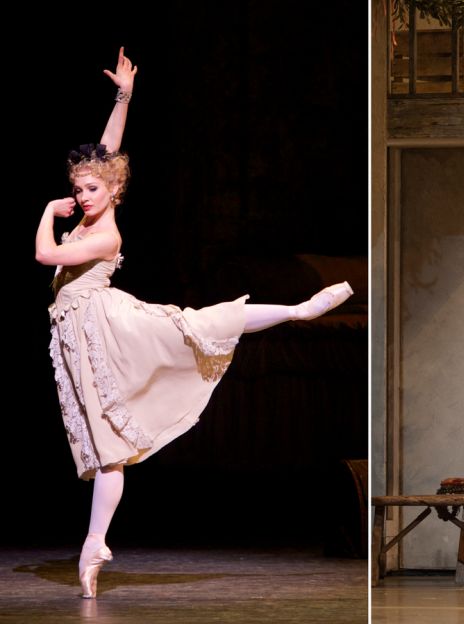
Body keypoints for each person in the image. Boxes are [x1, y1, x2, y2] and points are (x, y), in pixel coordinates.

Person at [36, 48, 354, 598]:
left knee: (201, 325)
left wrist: (47, 211)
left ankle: (298, 310)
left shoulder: (105, 235)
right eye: (78, 188)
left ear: (115, 191)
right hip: (79, 336)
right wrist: (124, 97)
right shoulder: (96, 200)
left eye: (93, 188)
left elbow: (44, 257)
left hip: (107, 329)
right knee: (107, 451)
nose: (82, 195)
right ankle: (95, 545)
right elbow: (107, 152)